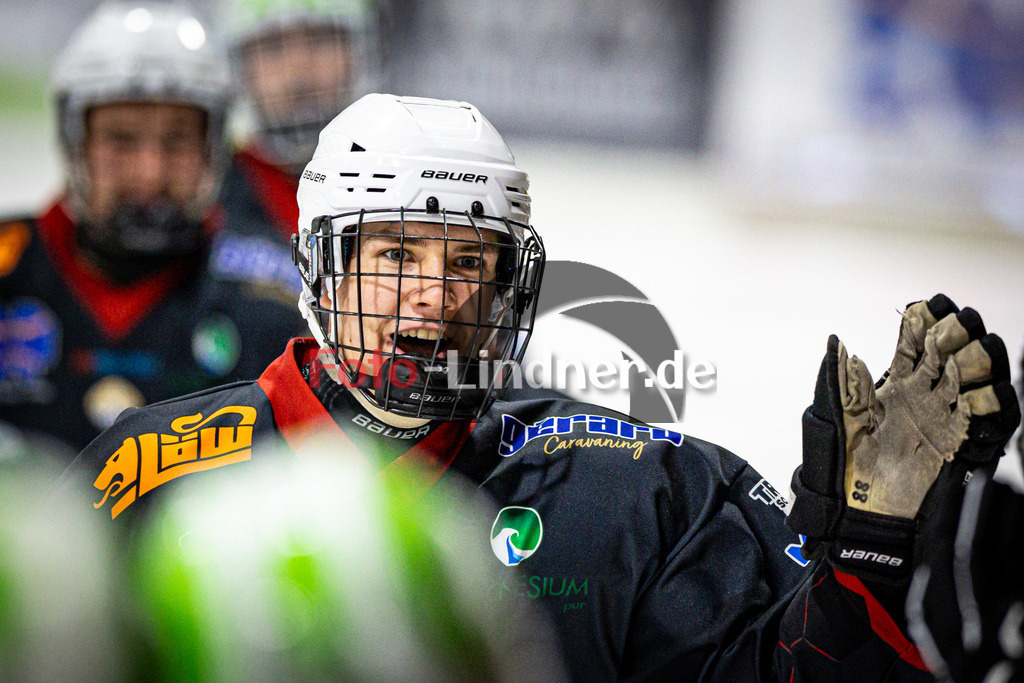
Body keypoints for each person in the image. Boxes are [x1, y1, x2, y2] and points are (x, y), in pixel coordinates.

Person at [62, 94, 1020, 681]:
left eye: (467, 261)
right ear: (323, 268)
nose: (432, 300)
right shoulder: (151, 467)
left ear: (509, 283)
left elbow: (787, 669)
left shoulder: (640, 487)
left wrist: (871, 562)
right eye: (395, 252)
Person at [0, 0, 305, 456]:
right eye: (121, 141)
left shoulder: (282, 292)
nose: (150, 173)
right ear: (74, 142)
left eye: (177, 141)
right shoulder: (10, 272)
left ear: (212, 147)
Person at [210, 0, 382, 304]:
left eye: (322, 39)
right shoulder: (208, 193)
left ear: (358, 52)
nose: (299, 67)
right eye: (273, 46)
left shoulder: (400, 181)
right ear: (240, 67)